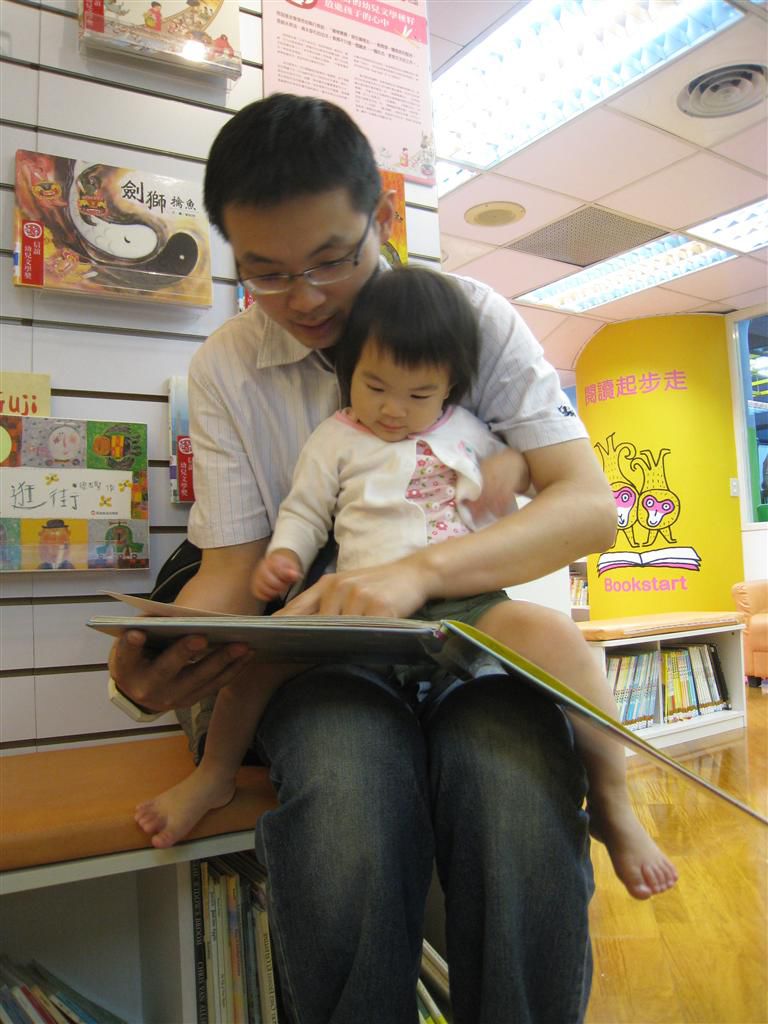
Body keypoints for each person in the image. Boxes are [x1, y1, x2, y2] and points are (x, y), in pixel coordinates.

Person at [110, 92, 622, 1023]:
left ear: (381, 216)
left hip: (465, 622)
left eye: (331, 260)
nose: (304, 298)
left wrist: (420, 573)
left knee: (514, 793)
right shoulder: (227, 365)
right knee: (348, 793)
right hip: (325, 643)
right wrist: (165, 656)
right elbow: (234, 566)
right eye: (266, 273)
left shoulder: (471, 317)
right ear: (231, 251)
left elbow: (588, 507)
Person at [135, 265, 677, 903]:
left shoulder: (462, 427)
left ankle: (612, 797)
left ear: (450, 387)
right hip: (359, 602)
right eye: (375, 387)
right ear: (350, 371)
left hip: (465, 602)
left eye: (419, 395)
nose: (394, 410)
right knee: (261, 659)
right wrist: (284, 557)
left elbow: (527, 471)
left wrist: (509, 471)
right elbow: (305, 510)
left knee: (559, 638)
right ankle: (214, 773)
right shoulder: (335, 436)